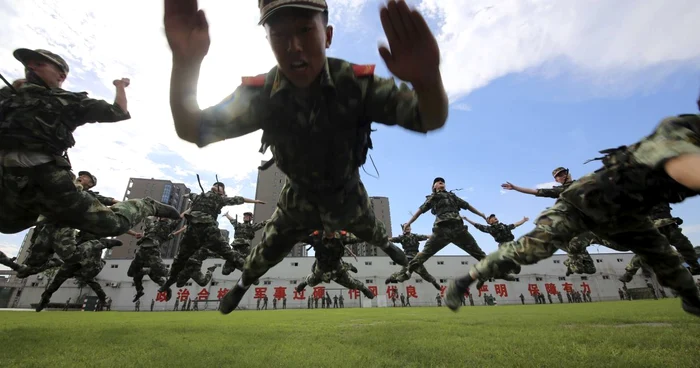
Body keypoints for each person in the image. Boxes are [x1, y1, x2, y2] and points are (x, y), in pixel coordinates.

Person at [163, 0, 449, 314]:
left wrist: (427, 80)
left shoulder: (353, 83)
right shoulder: (260, 95)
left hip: (348, 195)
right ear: (268, 40)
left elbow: (428, 118)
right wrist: (185, 64)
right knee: (265, 253)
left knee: (374, 231)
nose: (294, 46)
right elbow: (194, 129)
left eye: (304, 30)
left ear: (327, 35)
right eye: (280, 34)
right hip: (297, 200)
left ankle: (392, 249)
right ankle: (243, 285)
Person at [445, 113, 700, 317]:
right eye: (557, 175)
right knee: (530, 249)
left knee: (666, 258)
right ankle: (464, 281)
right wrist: (514, 189)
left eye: (562, 173)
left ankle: (692, 300)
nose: (560, 176)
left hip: (628, 214)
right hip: (583, 201)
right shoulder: (682, 129)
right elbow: (683, 167)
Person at [0, 48, 181, 236]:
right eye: (28, 64)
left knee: (111, 225)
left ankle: (146, 205)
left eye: (39, 64)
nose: (30, 67)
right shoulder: (8, 97)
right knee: (7, 225)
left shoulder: (66, 101)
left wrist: (120, 87)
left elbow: (117, 112)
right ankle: (51, 216)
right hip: (9, 177)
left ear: (60, 75)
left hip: (46, 177)